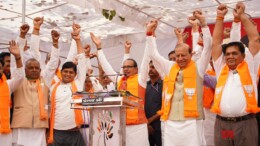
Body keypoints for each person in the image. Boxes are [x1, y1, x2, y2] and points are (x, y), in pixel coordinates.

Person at [145, 10, 212, 146]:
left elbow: (208, 47)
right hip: (171, 121)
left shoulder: (198, 67)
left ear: (190, 54)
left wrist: (203, 24)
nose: (180, 58)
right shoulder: (169, 67)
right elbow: (153, 54)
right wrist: (149, 34)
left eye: (183, 55)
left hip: (192, 121)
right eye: (178, 56)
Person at [211, 3, 260, 146]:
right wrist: (220, 17)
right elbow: (216, 43)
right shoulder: (221, 68)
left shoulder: (250, 66)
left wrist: (242, 15)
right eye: (227, 54)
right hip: (222, 125)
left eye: (234, 53)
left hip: (245, 125)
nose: (230, 56)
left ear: (243, 56)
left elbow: (255, 39)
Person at [90, 33, 150, 146]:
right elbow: (106, 67)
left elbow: (146, 58)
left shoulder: (141, 79)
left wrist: (149, 36)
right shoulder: (119, 80)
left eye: (129, 67)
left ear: (136, 69)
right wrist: (99, 48)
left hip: (138, 127)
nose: (126, 69)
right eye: (124, 67)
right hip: (121, 125)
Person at [11, 17, 60, 146]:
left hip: (39, 126)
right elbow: (16, 58)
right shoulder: (18, 79)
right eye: (30, 68)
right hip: (21, 126)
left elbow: (53, 63)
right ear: (25, 70)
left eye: (36, 68)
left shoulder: (45, 80)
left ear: (40, 70)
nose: (34, 70)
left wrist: (55, 44)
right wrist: (22, 36)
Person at [48, 23, 91, 146]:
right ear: (61, 72)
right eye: (65, 72)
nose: (67, 74)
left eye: (71, 72)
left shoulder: (78, 83)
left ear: (75, 74)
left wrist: (77, 40)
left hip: (74, 132)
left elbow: (82, 60)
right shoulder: (54, 86)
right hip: (56, 133)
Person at [0, 40, 24, 146]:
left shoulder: (7, 85)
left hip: (4, 132)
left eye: (0, 68)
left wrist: (18, 57)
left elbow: (19, 76)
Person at [145, 61, 162, 146]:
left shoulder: (164, 84)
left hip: (160, 126)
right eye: (149, 67)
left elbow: (166, 107)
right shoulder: (144, 86)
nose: (150, 70)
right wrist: (146, 124)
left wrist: (150, 120)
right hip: (145, 126)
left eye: (153, 67)